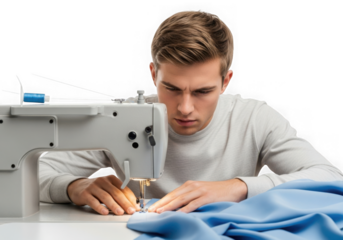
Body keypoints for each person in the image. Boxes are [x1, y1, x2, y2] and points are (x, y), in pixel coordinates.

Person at [39, 9, 343, 217]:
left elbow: (332, 179)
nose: (185, 108)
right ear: (152, 74)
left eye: (202, 92)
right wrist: (73, 187)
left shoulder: (254, 118)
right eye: (170, 88)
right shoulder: (122, 116)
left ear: (226, 81)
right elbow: (32, 174)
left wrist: (238, 187)